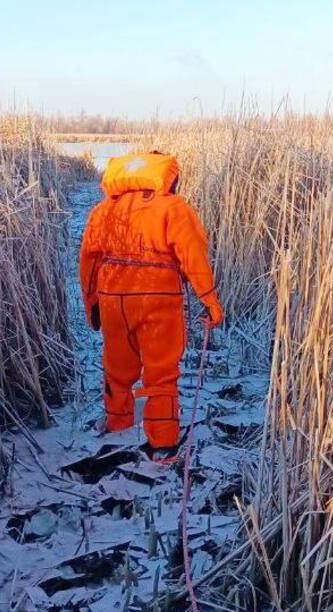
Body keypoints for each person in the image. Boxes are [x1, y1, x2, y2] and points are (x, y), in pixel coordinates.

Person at [79, 151, 224, 463]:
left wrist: (91, 302)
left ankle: (118, 426)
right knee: (160, 373)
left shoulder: (102, 210)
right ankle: (163, 444)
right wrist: (209, 300)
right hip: (159, 299)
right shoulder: (173, 208)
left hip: (112, 299)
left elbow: (88, 261)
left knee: (117, 369)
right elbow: (193, 256)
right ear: (168, 178)